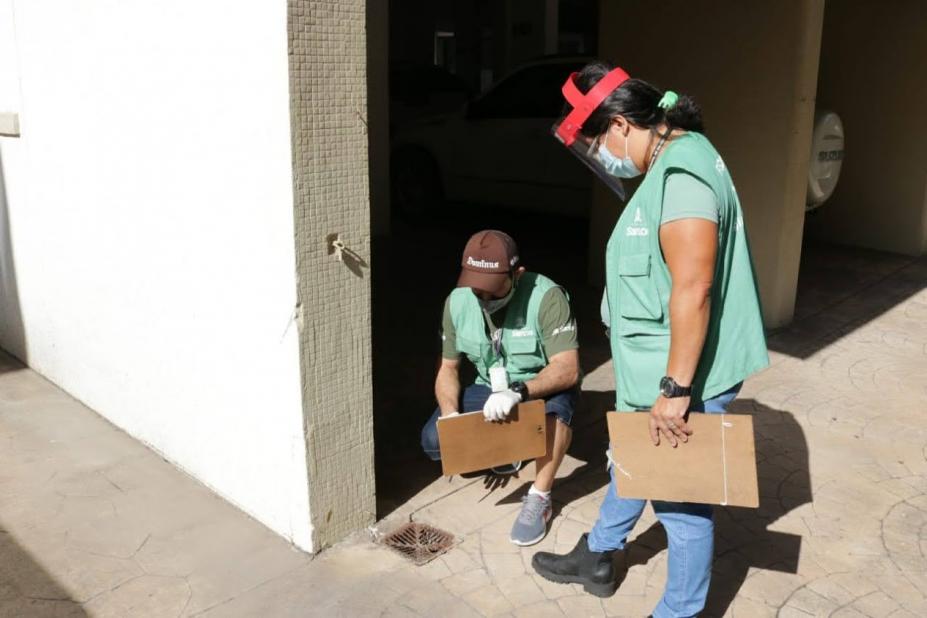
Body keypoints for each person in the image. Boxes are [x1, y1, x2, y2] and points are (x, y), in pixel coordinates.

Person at [532, 61, 769, 617]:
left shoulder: (681, 173)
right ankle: (599, 553)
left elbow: (693, 287)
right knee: (633, 461)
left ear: (619, 125)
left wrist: (675, 388)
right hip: (659, 371)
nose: (602, 160)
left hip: (680, 374)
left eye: (596, 147)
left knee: (684, 510)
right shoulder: (678, 156)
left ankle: (679, 612)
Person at [421, 230, 581, 546]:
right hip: (490, 386)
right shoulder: (457, 302)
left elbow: (567, 368)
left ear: (517, 275)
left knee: (554, 416)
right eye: (477, 290)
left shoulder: (547, 296)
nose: (484, 299)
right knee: (435, 442)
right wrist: (451, 416)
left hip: (537, 385)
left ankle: (540, 496)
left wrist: (519, 392)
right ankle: (511, 446)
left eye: (494, 291)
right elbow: (448, 369)